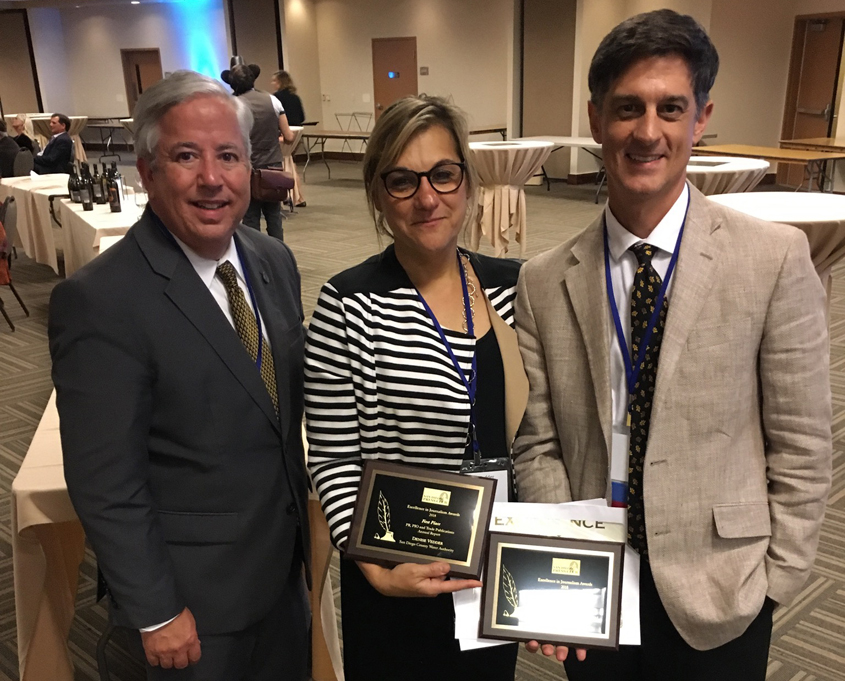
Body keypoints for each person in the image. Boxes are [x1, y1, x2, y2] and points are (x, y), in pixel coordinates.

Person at [514, 9, 832, 681]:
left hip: (723, 587)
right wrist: (552, 566)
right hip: (591, 588)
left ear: (700, 117)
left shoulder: (771, 259)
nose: (647, 131)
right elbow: (537, 443)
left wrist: (778, 576)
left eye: (670, 108)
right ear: (596, 117)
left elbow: (802, 439)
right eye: (627, 108)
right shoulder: (543, 279)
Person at [49, 70, 311, 680]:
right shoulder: (101, 300)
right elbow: (104, 479)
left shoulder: (273, 261)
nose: (212, 178)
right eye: (186, 156)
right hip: (192, 608)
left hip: (280, 578)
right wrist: (155, 609)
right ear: (147, 170)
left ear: (251, 167)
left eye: (229, 156)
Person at [304, 94, 527, 681]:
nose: (427, 197)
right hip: (397, 574)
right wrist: (372, 565)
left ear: (467, 182)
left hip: (490, 570)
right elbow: (330, 454)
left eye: (443, 174)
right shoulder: (349, 303)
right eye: (403, 180)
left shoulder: (516, 290)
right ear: (379, 195)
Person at [223, 63, 295, 241]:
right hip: (273, 166)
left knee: (250, 217)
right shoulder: (272, 100)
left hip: (247, 168)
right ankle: (278, 256)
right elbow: (289, 136)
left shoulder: (232, 105)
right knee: (274, 216)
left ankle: (255, 259)